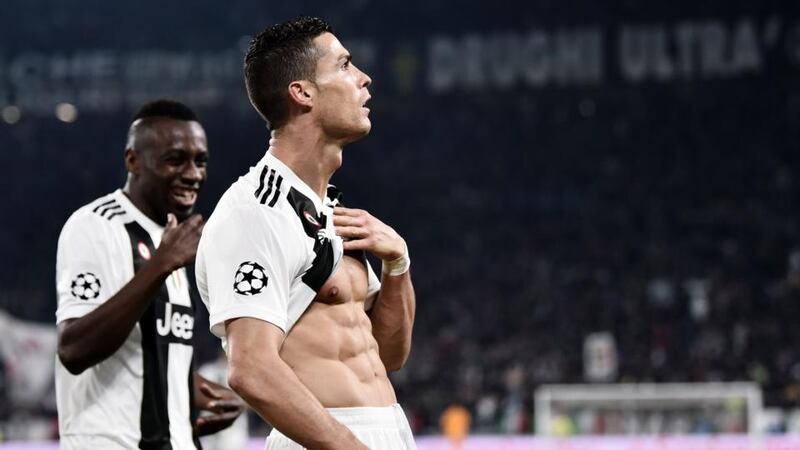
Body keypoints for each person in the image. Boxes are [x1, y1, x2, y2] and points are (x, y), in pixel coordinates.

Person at [196, 17, 417, 450]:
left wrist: (398, 265)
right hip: (325, 439)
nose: (364, 78)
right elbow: (251, 369)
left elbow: (388, 356)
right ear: (302, 93)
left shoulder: (329, 210)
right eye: (345, 65)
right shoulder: (255, 212)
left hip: (385, 430)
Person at [55, 99, 245, 450]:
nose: (193, 174)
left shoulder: (170, 239)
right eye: (175, 160)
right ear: (133, 160)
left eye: (200, 162)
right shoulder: (95, 226)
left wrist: (200, 394)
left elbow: (149, 353)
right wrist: (160, 266)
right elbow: (74, 349)